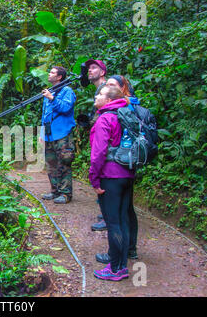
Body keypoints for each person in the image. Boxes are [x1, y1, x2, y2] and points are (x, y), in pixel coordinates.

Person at [90, 85, 135, 281]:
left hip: (111, 176)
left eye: (100, 94)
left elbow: (98, 153)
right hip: (127, 174)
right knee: (123, 221)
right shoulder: (125, 115)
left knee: (113, 223)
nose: (96, 95)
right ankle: (121, 265)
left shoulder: (105, 118)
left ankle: (115, 269)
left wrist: (94, 178)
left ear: (108, 100)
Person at [40, 66, 77, 204]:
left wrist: (52, 98)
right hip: (49, 134)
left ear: (59, 77)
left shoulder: (67, 91)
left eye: (52, 72)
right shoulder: (49, 91)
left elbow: (66, 108)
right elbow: (45, 115)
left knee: (64, 162)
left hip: (62, 133)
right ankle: (54, 190)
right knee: (51, 163)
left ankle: (66, 193)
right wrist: (42, 133)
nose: (49, 74)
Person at [84, 59, 109, 232]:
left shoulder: (106, 89)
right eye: (89, 68)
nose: (89, 71)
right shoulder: (99, 90)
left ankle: (109, 217)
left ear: (102, 72)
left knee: (104, 175)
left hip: (105, 138)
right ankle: (106, 214)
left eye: (94, 68)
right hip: (100, 136)